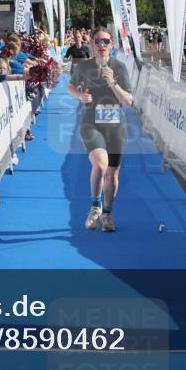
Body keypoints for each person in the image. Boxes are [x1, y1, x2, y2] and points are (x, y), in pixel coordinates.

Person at [68, 27, 134, 233]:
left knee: (113, 173)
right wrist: (80, 96)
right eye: (97, 41)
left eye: (105, 41)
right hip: (91, 124)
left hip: (116, 127)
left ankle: (107, 213)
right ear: (92, 44)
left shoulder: (120, 68)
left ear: (111, 45)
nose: (101, 45)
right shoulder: (84, 67)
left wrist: (112, 82)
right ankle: (95, 206)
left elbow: (129, 101)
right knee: (101, 165)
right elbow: (71, 86)